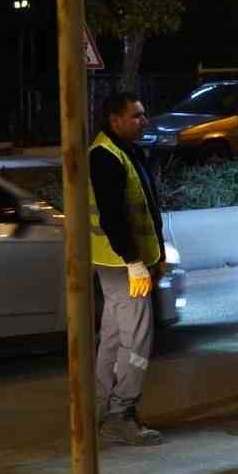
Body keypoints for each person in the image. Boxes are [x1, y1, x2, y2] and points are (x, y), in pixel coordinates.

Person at [89, 92, 167, 446]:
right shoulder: (106, 157)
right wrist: (136, 263)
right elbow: (113, 218)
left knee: (114, 338)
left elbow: (146, 211)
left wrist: (157, 256)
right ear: (115, 119)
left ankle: (104, 412)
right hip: (123, 265)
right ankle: (120, 414)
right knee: (136, 340)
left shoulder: (125, 151)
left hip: (121, 263)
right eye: (136, 116)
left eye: (143, 114)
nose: (144, 121)